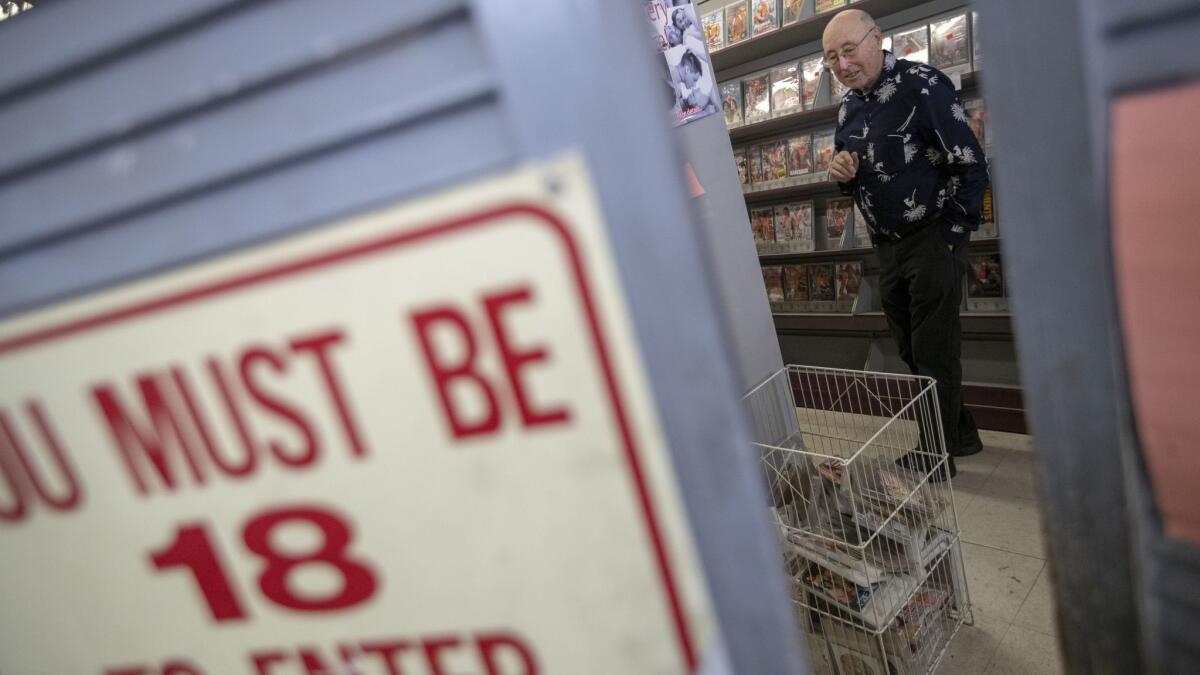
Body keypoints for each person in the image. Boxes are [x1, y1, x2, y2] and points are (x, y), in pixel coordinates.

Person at [822, 9, 987, 481]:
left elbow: (971, 163)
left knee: (935, 348)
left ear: (877, 39)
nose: (843, 64)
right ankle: (963, 432)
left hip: (933, 235)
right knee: (912, 348)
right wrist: (841, 174)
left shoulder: (924, 84)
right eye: (832, 57)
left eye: (849, 50)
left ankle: (937, 453)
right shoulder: (849, 107)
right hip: (887, 246)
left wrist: (954, 236)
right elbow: (851, 167)